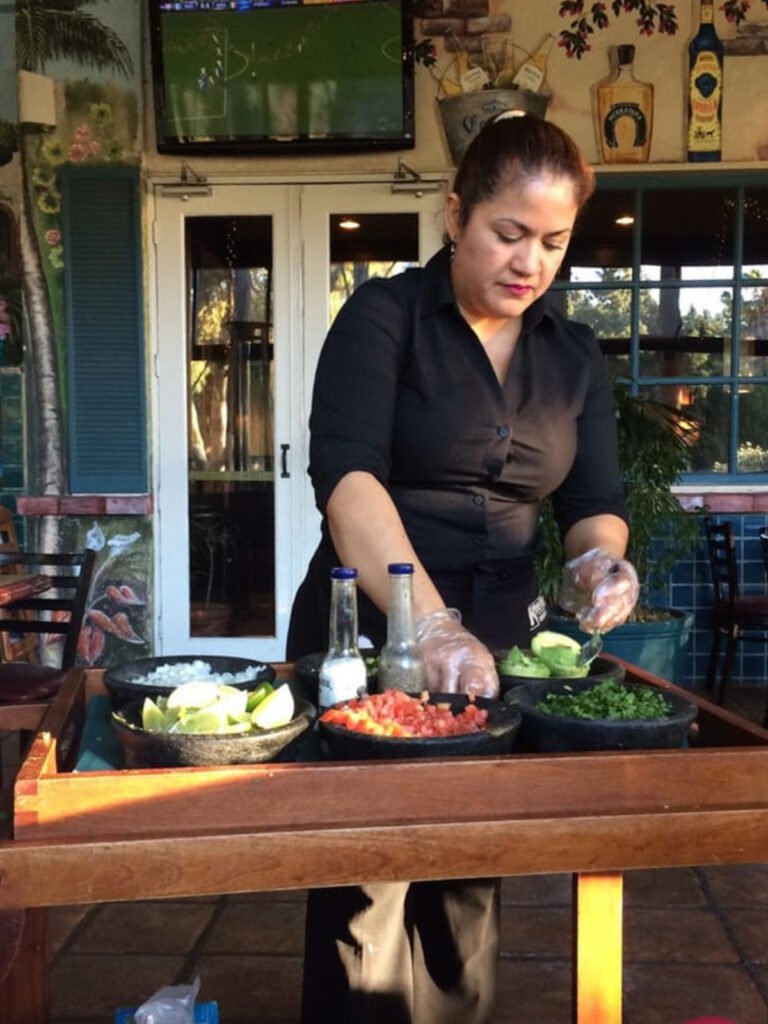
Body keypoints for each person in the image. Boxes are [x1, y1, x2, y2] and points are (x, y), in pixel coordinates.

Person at [287, 112, 639, 1024]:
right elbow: (349, 480)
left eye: (553, 242)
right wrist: (428, 621)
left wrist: (601, 565)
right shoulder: (384, 317)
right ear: (456, 216)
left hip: (502, 645)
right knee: (368, 889)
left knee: (469, 878)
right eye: (509, 233)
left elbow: (593, 504)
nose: (530, 262)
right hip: (370, 632)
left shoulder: (572, 356)